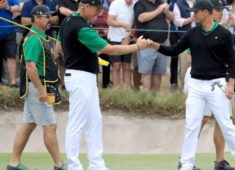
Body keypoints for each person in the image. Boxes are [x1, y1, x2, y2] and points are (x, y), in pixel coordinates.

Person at [149, 0, 235, 169]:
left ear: (206, 12)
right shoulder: (192, 33)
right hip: (196, 85)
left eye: (196, 12)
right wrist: (154, 45)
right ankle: (186, 164)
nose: (193, 15)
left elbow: (232, 61)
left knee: (225, 124)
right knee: (191, 125)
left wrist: (231, 85)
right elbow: (173, 50)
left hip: (217, 84)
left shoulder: (224, 33)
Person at [55, 0, 149, 169]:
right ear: (84, 7)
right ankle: (73, 165)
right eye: (96, 9)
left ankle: (96, 164)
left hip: (84, 77)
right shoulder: (81, 27)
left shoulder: (67, 21)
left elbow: (58, 49)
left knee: (94, 120)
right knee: (76, 122)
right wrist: (137, 47)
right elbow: (109, 49)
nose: (99, 13)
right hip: (80, 77)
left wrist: (82, 53)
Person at [6, 5, 66, 170]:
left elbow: (46, 59)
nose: (50, 19)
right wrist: (40, 90)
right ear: (37, 18)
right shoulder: (34, 39)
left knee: (29, 125)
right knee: (50, 125)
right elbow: (30, 67)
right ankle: (60, 164)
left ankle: (14, 163)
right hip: (38, 87)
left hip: (38, 86)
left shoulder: (42, 37)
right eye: (47, 17)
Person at [134, 0, 174, 92]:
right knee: (146, 73)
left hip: (161, 44)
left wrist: (166, 11)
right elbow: (141, 18)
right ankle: (146, 97)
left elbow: (172, 18)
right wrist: (159, 10)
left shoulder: (160, 3)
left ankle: (155, 98)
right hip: (146, 44)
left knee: (158, 73)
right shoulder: (140, 4)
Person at [107, 0, 136, 88]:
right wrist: (122, 24)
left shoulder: (136, 4)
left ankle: (127, 90)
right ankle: (117, 89)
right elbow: (109, 21)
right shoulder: (116, 3)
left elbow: (136, 24)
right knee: (116, 65)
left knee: (127, 66)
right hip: (114, 38)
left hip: (127, 39)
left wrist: (129, 38)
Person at [0, 0, 21, 87]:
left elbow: (19, 8)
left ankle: (13, 82)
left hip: (9, 32)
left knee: (11, 56)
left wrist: (8, 7)